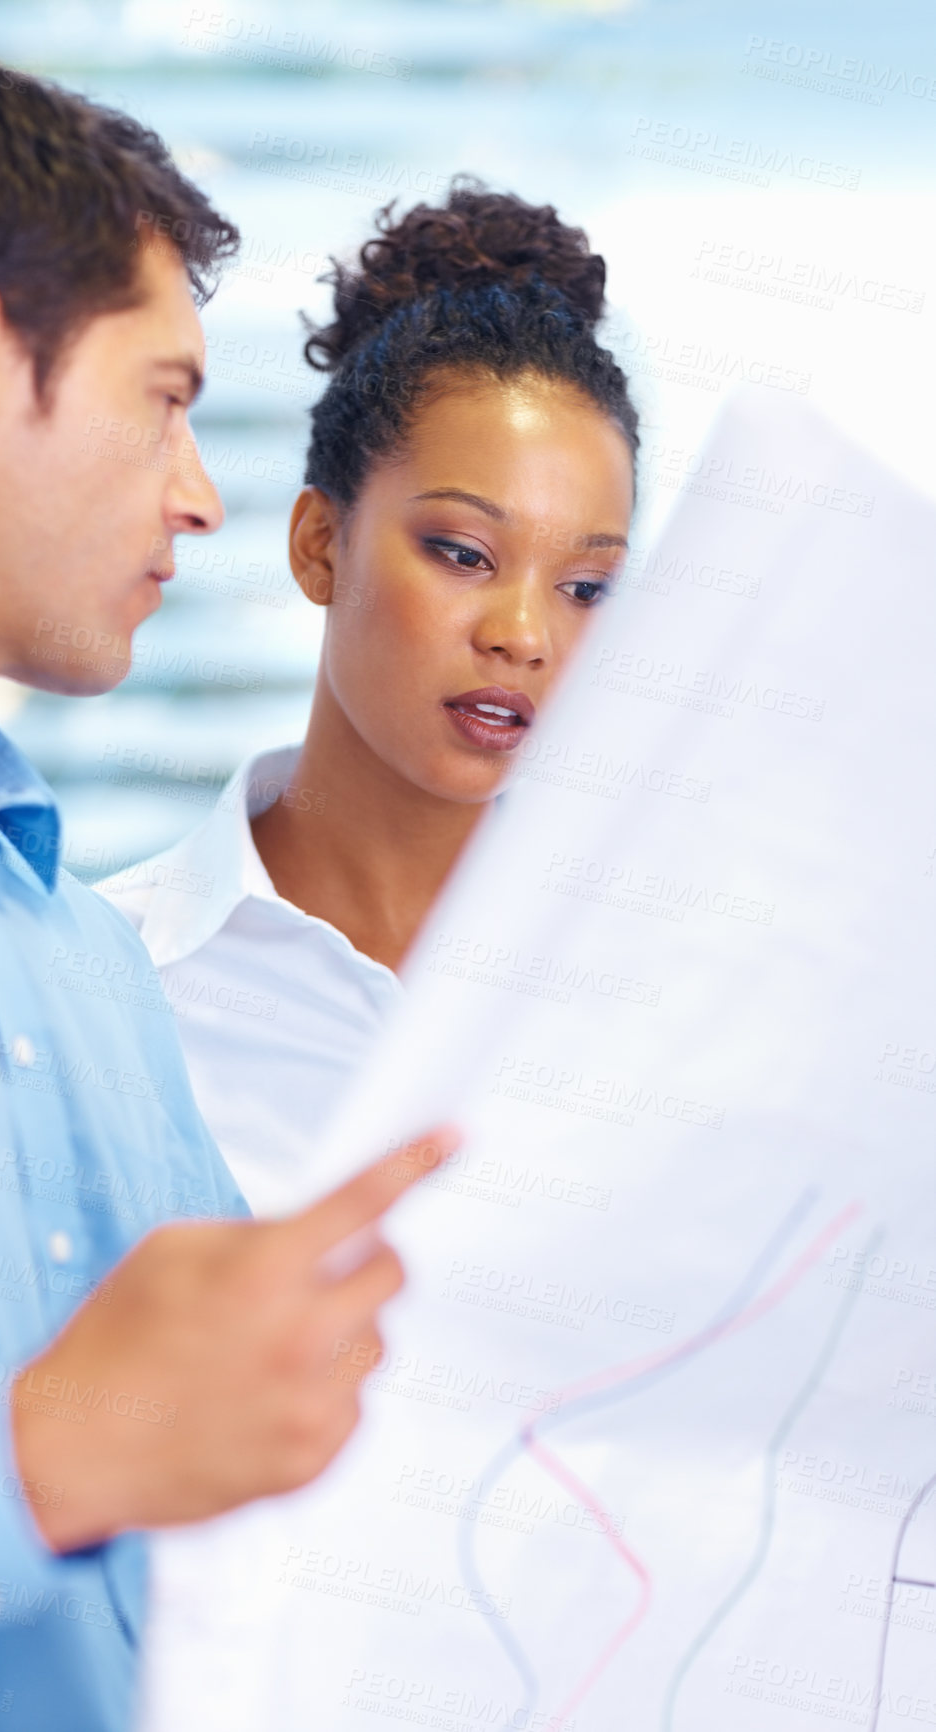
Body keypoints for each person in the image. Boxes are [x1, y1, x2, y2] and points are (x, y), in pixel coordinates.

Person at [0, 51, 453, 1731]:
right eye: (162, 398)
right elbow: (87, 1446)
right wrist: (41, 1455)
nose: (199, 493)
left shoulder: (75, 953)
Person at [101, 185, 637, 1215]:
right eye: (461, 552)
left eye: (583, 587)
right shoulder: (104, 984)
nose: (522, 634)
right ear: (317, 545)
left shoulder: (649, 983)